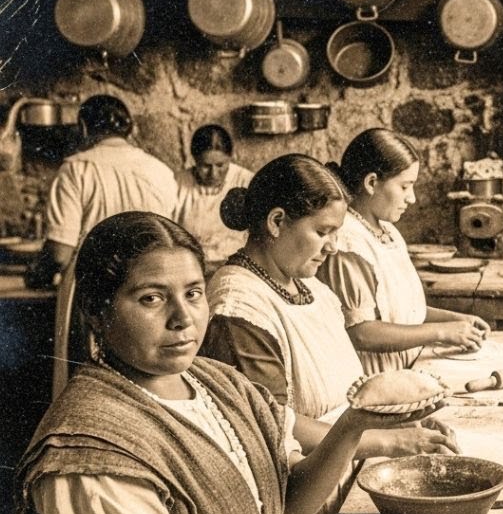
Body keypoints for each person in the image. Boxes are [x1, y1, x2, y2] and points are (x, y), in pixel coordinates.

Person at [14, 212, 419, 514]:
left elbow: (297, 501)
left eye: (193, 293)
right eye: (151, 298)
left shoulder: (221, 385)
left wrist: (353, 426)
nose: (182, 318)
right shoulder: (91, 437)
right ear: (98, 311)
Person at [202, 154, 455, 458]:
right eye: (322, 232)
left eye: (336, 232)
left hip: (348, 459)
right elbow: (272, 425)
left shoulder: (312, 288)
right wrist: (391, 441)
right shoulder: (239, 310)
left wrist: (396, 421)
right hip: (306, 482)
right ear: (277, 222)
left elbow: (346, 399)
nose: (333, 246)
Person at [317, 128, 489, 374]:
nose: (412, 199)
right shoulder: (348, 243)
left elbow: (402, 314)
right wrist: (442, 332)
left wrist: (455, 320)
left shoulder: (387, 231)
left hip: (407, 367)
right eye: (405, 186)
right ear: (372, 183)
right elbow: (361, 332)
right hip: (372, 380)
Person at [26, 94, 178, 288]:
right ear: (129, 128)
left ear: (83, 127)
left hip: (94, 287)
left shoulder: (76, 169)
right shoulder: (161, 170)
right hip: (152, 285)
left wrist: (37, 277)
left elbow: (59, 254)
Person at [174, 124, 254, 267]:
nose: (213, 173)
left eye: (220, 165)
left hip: (238, 266)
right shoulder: (178, 184)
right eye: (205, 166)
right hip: (193, 266)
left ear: (230, 157)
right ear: (194, 160)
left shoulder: (246, 181)